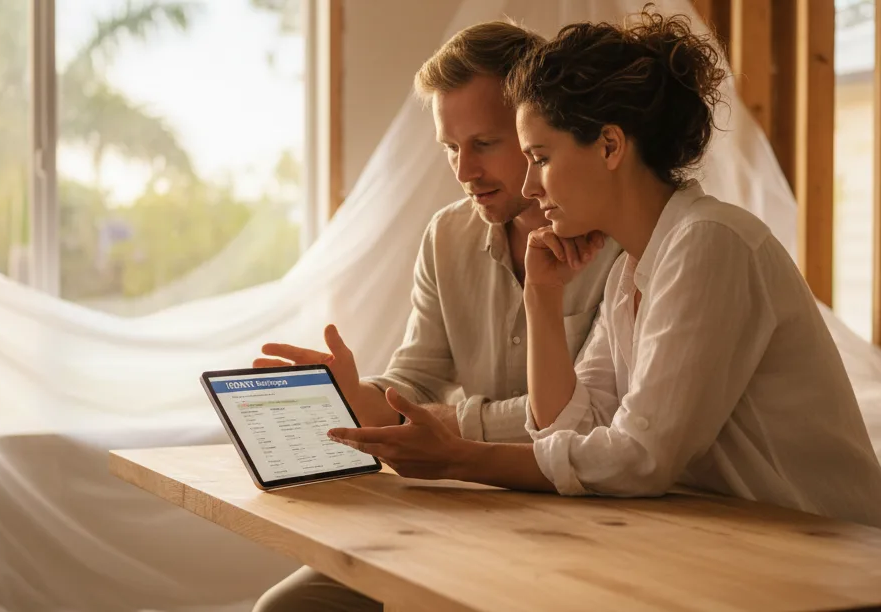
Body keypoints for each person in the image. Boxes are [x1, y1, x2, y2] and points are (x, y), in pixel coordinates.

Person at [328, 9, 881, 530]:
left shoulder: (711, 243)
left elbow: (640, 457)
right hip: (730, 539)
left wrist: (461, 458)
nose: (528, 184)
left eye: (540, 158)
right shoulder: (631, 273)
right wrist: (542, 300)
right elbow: (569, 429)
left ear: (611, 145)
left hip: (829, 556)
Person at [251, 21, 621, 612]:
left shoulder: (623, 243)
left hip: (596, 518)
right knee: (287, 608)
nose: (463, 171)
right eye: (451, 148)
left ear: (535, 130)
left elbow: (600, 415)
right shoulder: (447, 235)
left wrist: (447, 428)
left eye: (484, 143)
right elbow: (416, 379)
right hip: (472, 505)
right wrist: (352, 394)